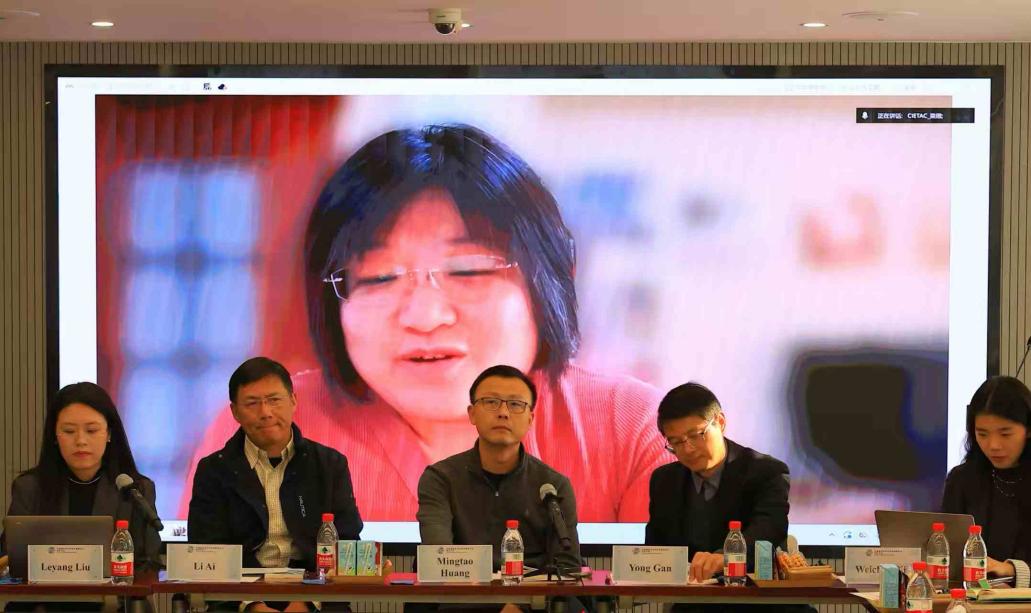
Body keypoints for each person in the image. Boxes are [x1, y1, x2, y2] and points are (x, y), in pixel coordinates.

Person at [182, 123, 666, 523]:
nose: (425, 316)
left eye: (470, 270)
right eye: (377, 277)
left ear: (553, 276)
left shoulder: (633, 428)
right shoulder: (266, 421)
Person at [188, 357, 363, 613]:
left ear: (293, 401)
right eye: (252, 403)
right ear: (235, 412)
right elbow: (208, 551)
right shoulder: (214, 471)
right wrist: (251, 605)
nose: (265, 412)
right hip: (239, 596)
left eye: (274, 400)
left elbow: (347, 543)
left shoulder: (328, 464)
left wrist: (308, 603)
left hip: (315, 594)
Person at [645, 382, 808, 613]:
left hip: (760, 601)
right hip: (695, 604)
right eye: (676, 442)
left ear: (720, 422)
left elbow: (769, 530)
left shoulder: (766, 471)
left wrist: (725, 558)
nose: (688, 449)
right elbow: (656, 547)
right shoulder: (664, 480)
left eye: (695, 435)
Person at [3, 382, 160, 613]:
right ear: (55, 436)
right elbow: (10, 560)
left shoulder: (135, 489)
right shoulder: (29, 487)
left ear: (109, 434)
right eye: (69, 431)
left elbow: (149, 563)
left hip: (114, 605)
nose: (80, 441)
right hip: (41, 605)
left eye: (92, 430)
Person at [417, 364, 581, 573]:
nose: (503, 413)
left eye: (515, 404)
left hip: (533, 593)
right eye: (491, 402)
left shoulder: (553, 486)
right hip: (461, 591)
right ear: (472, 414)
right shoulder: (441, 479)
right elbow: (437, 557)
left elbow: (568, 566)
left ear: (530, 419)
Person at [941, 375, 1031, 588]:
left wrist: (1012, 570)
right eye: (982, 434)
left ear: (1028, 430)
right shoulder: (961, 480)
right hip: (972, 599)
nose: (993, 445)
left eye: (1005, 434)